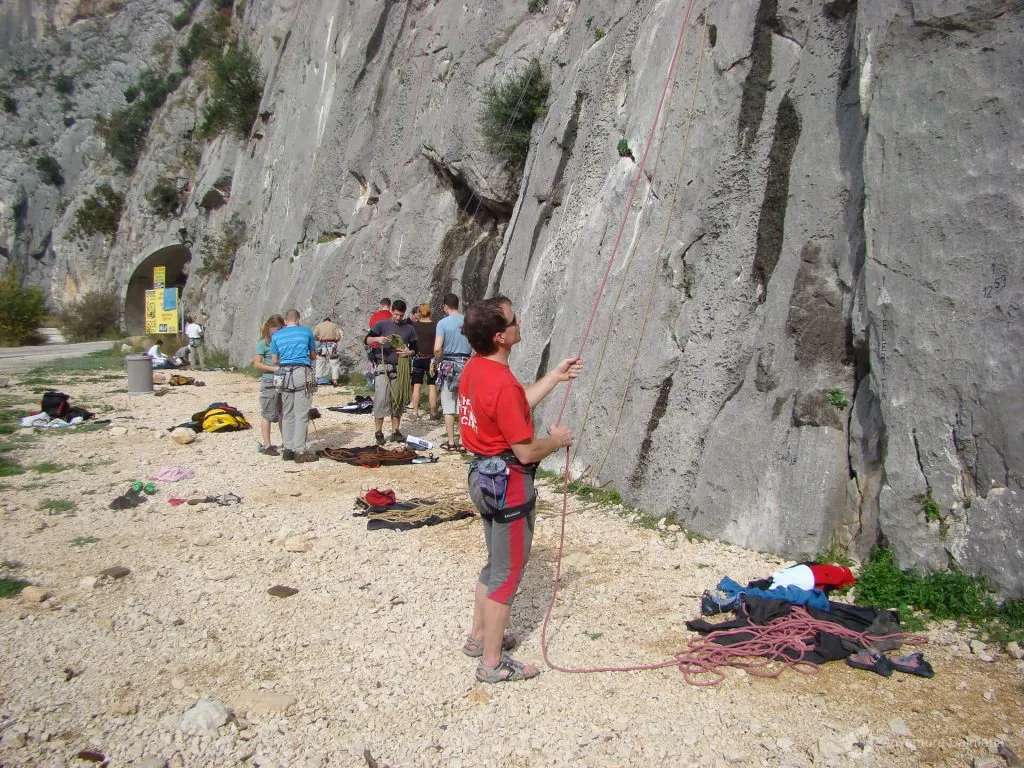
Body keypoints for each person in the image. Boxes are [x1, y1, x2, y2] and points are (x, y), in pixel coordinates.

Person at [458, 296, 581, 683]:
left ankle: (479, 639)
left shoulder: (475, 369)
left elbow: (509, 407)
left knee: (495, 564)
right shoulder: (502, 383)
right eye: (513, 321)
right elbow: (525, 450)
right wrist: (557, 441)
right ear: (501, 337)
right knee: (507, 573)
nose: (519, 323)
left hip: (482, 477)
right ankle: (491, 663)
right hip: (508, 484)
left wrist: (553, 378)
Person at [365, 299, 418, 445]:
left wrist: (409, 352)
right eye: (396, 315)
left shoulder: (409, 329)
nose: (398, 318)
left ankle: (395, 431)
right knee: (381, 399)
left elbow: (416, 348)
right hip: (384, 367)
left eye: (401, 315)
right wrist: (377, 339)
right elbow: (367, 340)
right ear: (392, 312)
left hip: (400, 368)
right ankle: (378, 432)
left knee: (398, 400)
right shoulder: (382, 324)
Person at [269, 309, 319, 462]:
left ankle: (288, 448)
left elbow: (274, 359)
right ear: (299, 319)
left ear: (285, 320)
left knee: (288, 412)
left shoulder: (277, 335)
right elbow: (313, 355)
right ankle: (300, 450)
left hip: (284, 373)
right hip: (301, 372)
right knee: (302, 413)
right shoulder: (306, 332)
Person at [433, 293, 473, 450]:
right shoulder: (468, 322)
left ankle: (450, 442)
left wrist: (438, 361)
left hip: (448, 364)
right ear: (458, 304)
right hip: (466, 364)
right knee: (463, 404)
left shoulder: (442, 324)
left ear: (445, 306)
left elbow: (437, 348)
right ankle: (464, 442)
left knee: (448, 404)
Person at [252, 314, 285, 456]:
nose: (276, 332)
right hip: (269, 381)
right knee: (268, 414)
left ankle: (287, 442)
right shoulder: (262, 344)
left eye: (280, 329)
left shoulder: (283, 342)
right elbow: (257, 363)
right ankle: (267, 445)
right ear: (269, 328)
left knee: (283, 413)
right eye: (274, 329)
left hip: (283, 380)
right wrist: (274, 369)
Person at [409, 303, 437, 420]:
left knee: (416, 385)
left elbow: (411, 343)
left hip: (418, 358)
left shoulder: (414, 326)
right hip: (432, 359)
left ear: (419, 313)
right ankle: (433, 412)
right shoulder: (436, 325)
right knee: (432, 385)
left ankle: (415, 412)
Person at [365, 298, 392, 388]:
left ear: (381, 305)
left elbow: (371, 330)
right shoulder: (393, 316)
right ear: (390, 306)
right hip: (390, 347)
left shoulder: (375, 316)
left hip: (376, 346)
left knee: (377, 369)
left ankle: (376, 386)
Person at [313, 315, 343, 386]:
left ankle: (317, 381)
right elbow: (338, 336)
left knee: (320, 363)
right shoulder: (334, 325)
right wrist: (335, 341)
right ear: (330, 321)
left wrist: (319, 339)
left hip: (322, 346)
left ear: (324, 321)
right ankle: (335, 382)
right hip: (331, 346)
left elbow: (314, 335)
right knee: (334, 364)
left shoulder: (319, 325)